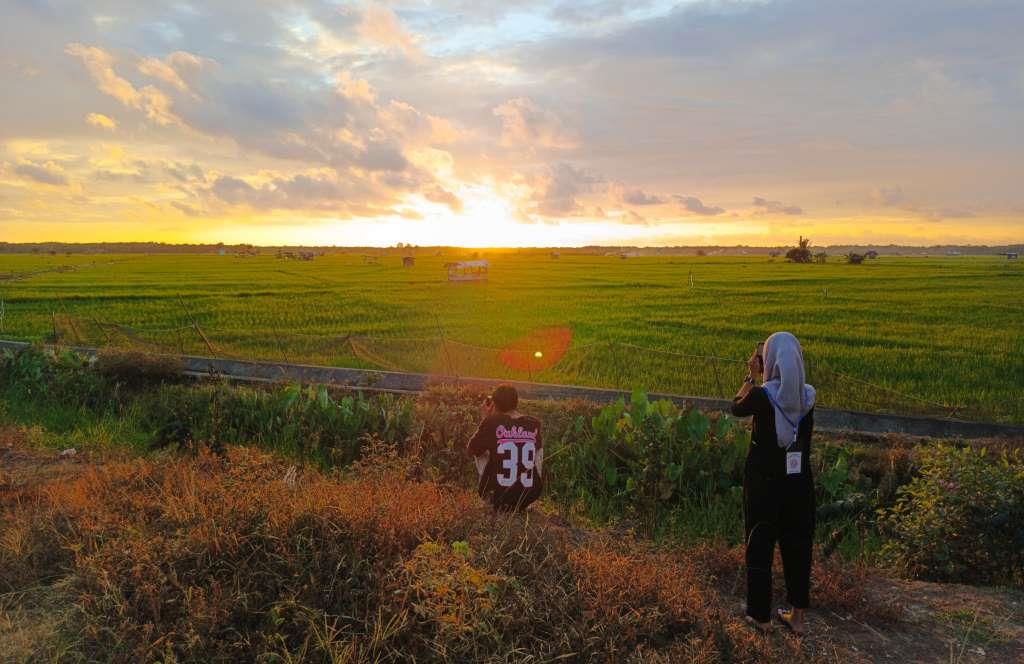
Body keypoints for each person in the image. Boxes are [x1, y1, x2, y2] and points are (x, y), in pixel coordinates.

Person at [730, 331, 816, 634]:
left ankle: (760, 616)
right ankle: (798, 617)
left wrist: (751, 376)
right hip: (799, 483)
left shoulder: (762, 395)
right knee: (798, 545)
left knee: (760, 541)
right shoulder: (807, 396)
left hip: (764, 484)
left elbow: (736, 406)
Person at [466, 384, 544, 513]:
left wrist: (486, 419)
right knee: (537, 450)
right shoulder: (533, 423)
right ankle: (526, 497)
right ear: (516, 403)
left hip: (497, 495)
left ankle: (487, 496)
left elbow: (471, 449)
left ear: (494, 404)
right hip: (529, 495)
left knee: (481, 450)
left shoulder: (493, 422)